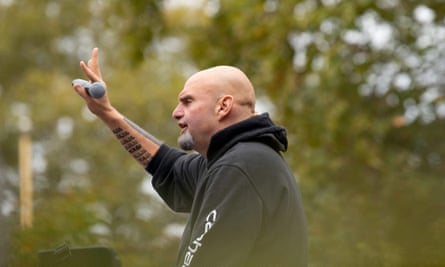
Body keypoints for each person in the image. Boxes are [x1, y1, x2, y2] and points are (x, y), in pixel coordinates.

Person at [73, 48, 308, 267]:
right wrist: (106, 112)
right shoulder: (239, 159)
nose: (176, 112)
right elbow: (169, 168)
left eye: (187, 101)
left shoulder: (240, 167)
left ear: (223, 106)